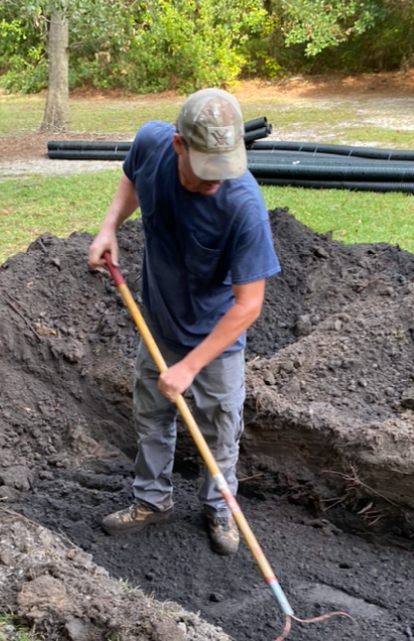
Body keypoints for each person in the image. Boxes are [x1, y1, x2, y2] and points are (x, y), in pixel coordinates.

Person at [88, 88, 280, 556]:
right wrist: (110, 225)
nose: (217, 181)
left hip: (216, 339)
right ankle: (152, 501)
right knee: (151, 416)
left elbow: (248, 306)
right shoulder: (153, 143)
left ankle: (220, 508)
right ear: (179, 146)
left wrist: (191, 366)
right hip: (157, 319)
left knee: (220, 428)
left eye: (226, 168)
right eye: (207, 169)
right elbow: (131, 178)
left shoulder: (243, 205)